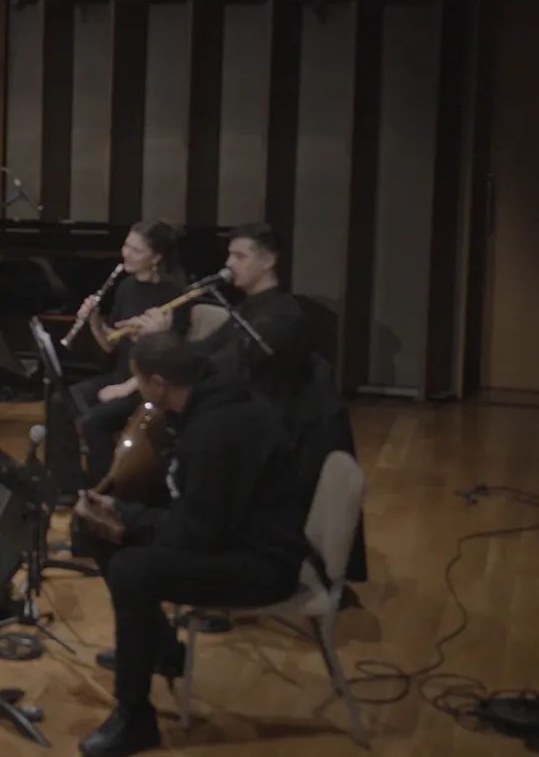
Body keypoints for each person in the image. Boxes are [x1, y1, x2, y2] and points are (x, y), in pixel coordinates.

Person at [69, 331, 310, 757]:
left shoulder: (217, 430)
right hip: (232, 536)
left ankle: (135, 717)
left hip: (261, 563)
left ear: (159, 383)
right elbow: (195, 508)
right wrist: (120, 514)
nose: (139, 391)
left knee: (132, 570)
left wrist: (127, 517)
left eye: (139, 380)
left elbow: (196, 533)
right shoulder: (209, 404)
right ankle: (162, 650)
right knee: (97, 532)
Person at [134, 220, 366, 584]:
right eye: (230, 254)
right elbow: (206, 354)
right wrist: (168, 347)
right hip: (245, 422)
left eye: (240, 256)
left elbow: (226, 367)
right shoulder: (251, 308)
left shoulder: (283, 317)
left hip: (270, 439)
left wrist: (165, 343)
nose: (230, 263)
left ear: (269, 261)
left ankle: (195, 554)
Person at [72, 221, 193, 489]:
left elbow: (170, 359)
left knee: (95, 421)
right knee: (62, 401)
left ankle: (104, 489)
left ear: (156, 257)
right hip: (121, 375)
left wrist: (124, 389)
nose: (126, 253)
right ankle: (66, 485)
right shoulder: (127, 287)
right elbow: (108, 345)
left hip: (147, 385)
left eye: (136, 250)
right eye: (126, 245)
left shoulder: (174, 295)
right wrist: (93, 319)